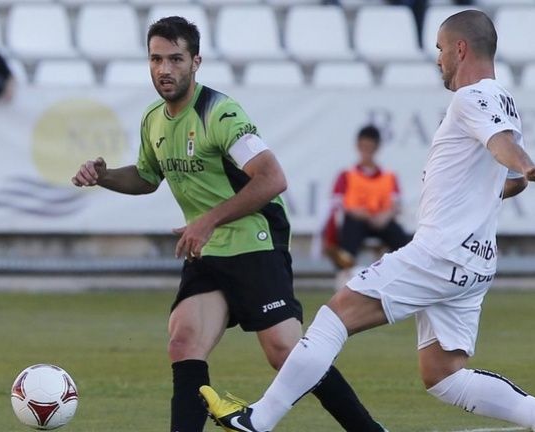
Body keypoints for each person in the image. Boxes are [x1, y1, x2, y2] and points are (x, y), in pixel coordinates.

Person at [200, 10, 535, 432]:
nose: (438, 59)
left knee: (334, 317)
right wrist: (517, 174)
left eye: (440, 49)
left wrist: (528, 166)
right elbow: (507, 179)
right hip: (475, 262)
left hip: (441, 252)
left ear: (460, 49)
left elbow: (504, 149)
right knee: (444, 375)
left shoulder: (472, 97)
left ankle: (258, 420)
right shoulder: (503, 100)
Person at [71, 16, 386, 432]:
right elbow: (148, 177)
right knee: (184, 342)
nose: (164, 69)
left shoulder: (219, 113)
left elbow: (273, 179)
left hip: (254, 241)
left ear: (196, 62)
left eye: (175, 59)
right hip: (207, 250)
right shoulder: (154, 119)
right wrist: (105, 175)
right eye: (156, 59)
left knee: (286, 354)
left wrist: (206, 222)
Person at [323, 124, 409, 272]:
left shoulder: (389, 176)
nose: (366, 151)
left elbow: (396, 204)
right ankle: (345, 264)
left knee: (401, 238)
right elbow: (339, 204)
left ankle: (407, 266)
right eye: (363, 146)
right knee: (350, 229)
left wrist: (385, 216)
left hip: (382, 222)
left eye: (370, 147)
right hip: (357, 221)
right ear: (357, 146)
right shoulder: (346, 175)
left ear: (377, 148)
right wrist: (357, 212)